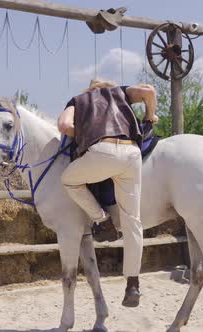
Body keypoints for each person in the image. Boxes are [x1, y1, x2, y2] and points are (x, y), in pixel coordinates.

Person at [57, 79, 158, 307]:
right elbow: (149, 91)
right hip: (132, 153)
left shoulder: (78, 101)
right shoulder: (120, 92)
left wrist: (83, 132)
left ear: (89, 90)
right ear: (107, 86)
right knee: (133, 221)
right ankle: (133, 284)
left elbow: (63, 126)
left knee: (69, 180)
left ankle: (102, 219)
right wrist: (149, 117)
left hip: (102, 151)